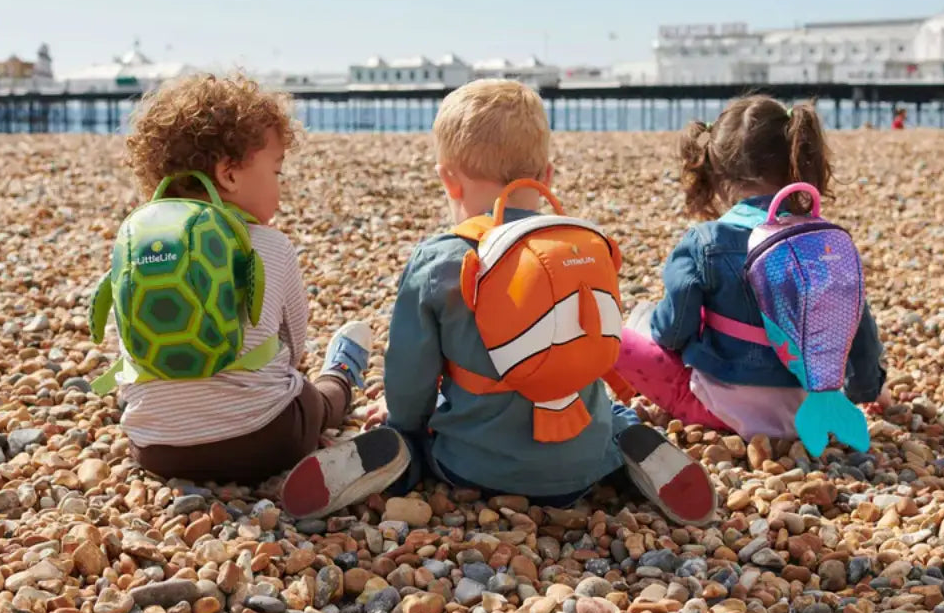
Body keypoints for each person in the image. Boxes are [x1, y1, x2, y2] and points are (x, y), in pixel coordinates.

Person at [281, 79, 716, 525]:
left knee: (419, 437)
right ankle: (626, 442)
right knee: (608, 411)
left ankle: (402, 455)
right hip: (583, 466)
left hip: (472, 465)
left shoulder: (441, 259)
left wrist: (406, 417)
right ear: (547, 175)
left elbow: (410, 376)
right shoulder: (581, 245)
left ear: (448, 180)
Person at [103, 73, 391, 485]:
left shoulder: (136, 246)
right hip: (267, 439)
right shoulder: (270, 245)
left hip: (157, 449)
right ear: (230, 174)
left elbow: (129, 346)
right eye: (276, 172)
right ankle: (342, 375)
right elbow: (293, 345)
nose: (280, 188)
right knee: (316, 399)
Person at [613, 95, 889, 442]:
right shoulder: (821, 245)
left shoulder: (705, 241)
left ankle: (622, 406)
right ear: (796, 162)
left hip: (717, 411)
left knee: (620, 330)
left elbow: (672, 332)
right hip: (807, 410)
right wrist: (866, 388)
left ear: (717, 170)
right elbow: (855, 328)